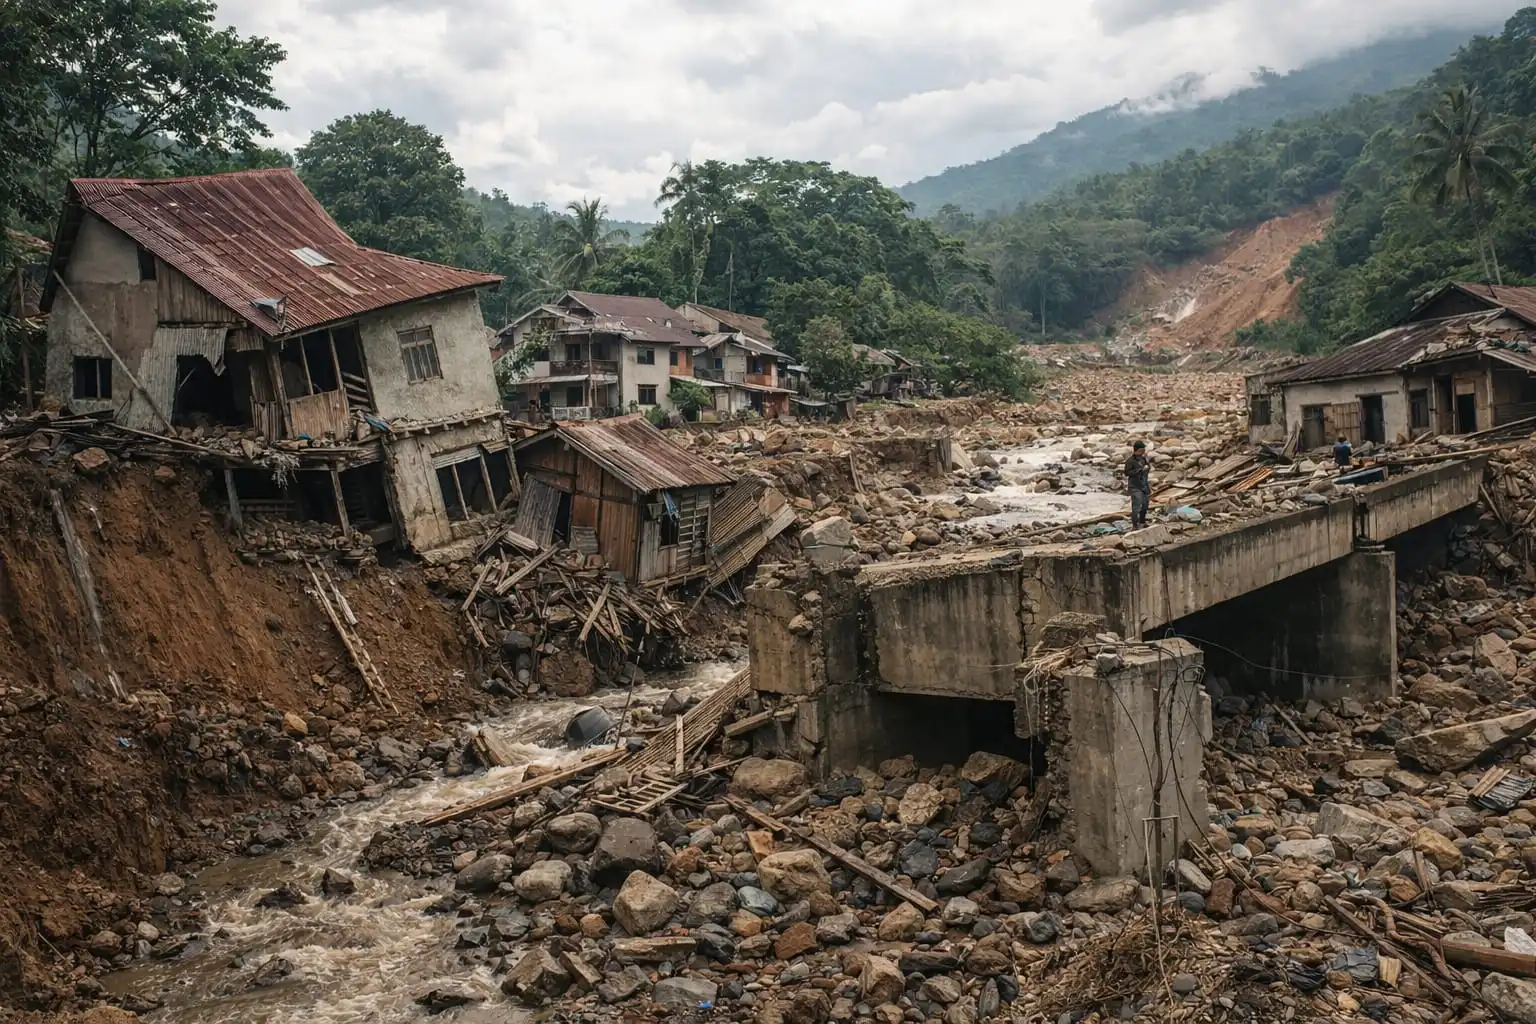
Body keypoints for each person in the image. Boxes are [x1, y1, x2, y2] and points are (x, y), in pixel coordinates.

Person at [1125, 440, 1151, 528]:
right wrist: (1139, 470)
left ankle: (1142, 522)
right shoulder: (1130, 461)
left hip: (1144, 485)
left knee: (1145, 504)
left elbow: (1148, 467)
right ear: (1137, 450)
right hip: (1135, 486)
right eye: (1142, 450)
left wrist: (1147, 468)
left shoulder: (1143, 459)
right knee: (1136, 506)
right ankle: (1135, 525)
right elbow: (1127, 472)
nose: (1143, 452)